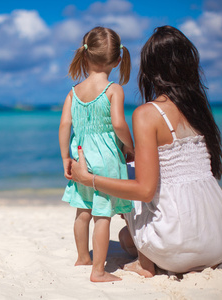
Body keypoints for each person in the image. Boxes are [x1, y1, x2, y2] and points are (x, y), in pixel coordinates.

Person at [70, 25, 222, 278]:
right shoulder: (200, 112)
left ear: (149, 70)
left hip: (176, 248)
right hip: (217, 242)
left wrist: (88, 179)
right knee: (126, 236)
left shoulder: (147, 114)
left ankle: (145, 264)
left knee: (128, 171)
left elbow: (145, 191)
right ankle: (146, 249)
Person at [59, 26, 135, 282]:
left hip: (80, 156)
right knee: (103, 216)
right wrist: (130, 145)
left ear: (85, 55)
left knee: (83, 211)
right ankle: (99, 271)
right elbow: (118, 124)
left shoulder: (73, 92)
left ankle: (83, 257)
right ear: (117, 60)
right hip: (105, 160)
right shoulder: (114, 90)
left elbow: (64, 126)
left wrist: (65, 158)